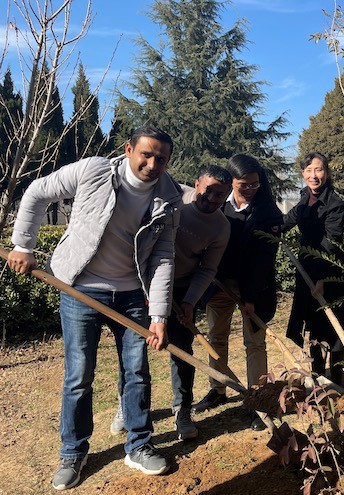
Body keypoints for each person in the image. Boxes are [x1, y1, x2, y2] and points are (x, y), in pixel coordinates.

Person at [8, 126, 182, 490]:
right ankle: (73, 452)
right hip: (79, 288)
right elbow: (38, 192)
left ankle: (138, 445)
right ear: (129, 148)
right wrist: (23, 244)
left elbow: (164, 256)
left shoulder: (169, 197)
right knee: (78, 375)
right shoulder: (94, 171)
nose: (152, 164)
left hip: (134, 295)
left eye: (161, 159)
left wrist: (159, 315)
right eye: (146, 155)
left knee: (136, 372)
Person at [109, 165, 231, 440]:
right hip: (140, 283)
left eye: (220, 195)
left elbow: (207, 269)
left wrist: (189, 302)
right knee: (132, 350)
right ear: (197, 184)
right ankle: (126, 407)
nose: (212, 199)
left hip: (182, 288)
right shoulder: (174, 200)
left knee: (182, 351)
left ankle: (182, 409)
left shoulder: (221, 227)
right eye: (208, 191)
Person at [192, 154, 282, 431]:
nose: (251, 189)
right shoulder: (218, 206)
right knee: (216, 337)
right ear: (231, 181)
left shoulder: (268, 213)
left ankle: (259, 399)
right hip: (218, 283)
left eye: (255, 184)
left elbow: (263, 261)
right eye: (245, 184)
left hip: (254, 288)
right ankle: (218, 388)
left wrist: (251, 298)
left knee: (255, 344)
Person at [282, 152, 344, 384]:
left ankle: (336, 379)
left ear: (327, 172)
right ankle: (317, 378)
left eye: (319, 170)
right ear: (303, 173)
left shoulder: (334, 201)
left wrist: (323, 279)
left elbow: (330, 242)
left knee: (335, 328)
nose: (314, 176)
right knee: (313, 325)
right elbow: (287, 221)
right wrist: (271, 230)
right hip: (306, 270)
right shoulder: (304, 198)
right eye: (309, 170)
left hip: (330, 270)